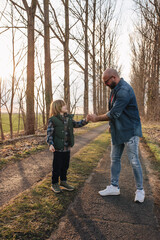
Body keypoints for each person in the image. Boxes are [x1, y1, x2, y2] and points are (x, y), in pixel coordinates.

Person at [88, 68, 145, 203]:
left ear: (114, 77)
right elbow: (116, 112)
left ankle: (140, 190)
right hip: (118, 130)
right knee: (114, 158)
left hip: (130, 130)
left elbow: (114, 113)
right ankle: (114, 186)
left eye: (106, 81)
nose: (105, 84)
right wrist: (111, 125)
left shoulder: (124, 90)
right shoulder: (114, 89)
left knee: (134, 160)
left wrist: (96, 118)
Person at [47, 99, 88, 193]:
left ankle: (63, 182)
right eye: (63, 105)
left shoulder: (68, 118)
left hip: (67, 148)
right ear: (58, 108)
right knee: (57, 167)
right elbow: (49, 133)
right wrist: (51, 144)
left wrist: (86, 120)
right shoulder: (53, 120)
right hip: (58, 148)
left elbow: (77, 124)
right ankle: (54, 184)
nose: (66, 107)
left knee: (65, 166)